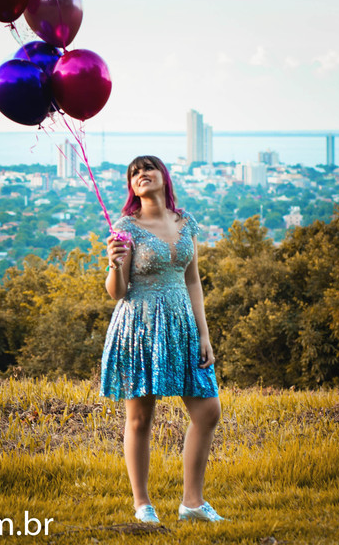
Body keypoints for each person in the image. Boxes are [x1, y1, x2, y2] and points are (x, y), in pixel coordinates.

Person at [100, 155, 225, 525]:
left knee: (208, 410)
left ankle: (192, 504)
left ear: (163, 177)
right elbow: (117, 292)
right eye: (134, 173)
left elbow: (192, 280)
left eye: (147, 168)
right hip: (138, 324)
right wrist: (113, 263)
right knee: (140, 418)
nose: (141, 175)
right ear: (131, 186)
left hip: (182, 324)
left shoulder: (185, 222)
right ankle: (143, 505)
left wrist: (204, 333)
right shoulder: (125, 227)